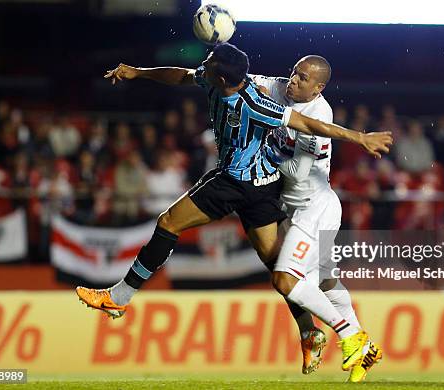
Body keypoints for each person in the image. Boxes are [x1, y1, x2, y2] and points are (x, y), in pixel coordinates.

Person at [76, 43, 393, 372]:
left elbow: (310, 127)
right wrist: (139, 72)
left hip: (248, 185)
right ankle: (311, 333)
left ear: (222, 77)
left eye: (210, 64)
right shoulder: (223, 79)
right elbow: (182, 75)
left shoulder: (256, 104)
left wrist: (360, 138)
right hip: (266, 190)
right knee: (284, 271)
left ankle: (119, 297)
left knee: (169, 222)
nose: (204, 66)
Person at [252, 55, 383, 382]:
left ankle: (352, 336)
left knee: (285, 280)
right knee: (324, 281)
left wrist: (259, 149)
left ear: (318, 88)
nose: (293, 81)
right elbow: (244, 79)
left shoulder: (320, 115)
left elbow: (297, 171)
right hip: (295, 211)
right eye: (294, 73)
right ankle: (366, 351)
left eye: (303, 78)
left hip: (314, 208)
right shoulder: (282, 88)